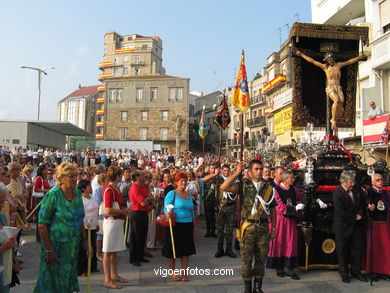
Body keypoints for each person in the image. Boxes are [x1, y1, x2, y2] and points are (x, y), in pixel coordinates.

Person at [221, 160, 277, 293]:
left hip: (263, 227)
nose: (259, 171)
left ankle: (258, 287)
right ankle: (247, 288)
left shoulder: (267, 187)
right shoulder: (244, 185)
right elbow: (224, 187)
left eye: (260, 169)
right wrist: (236, 173)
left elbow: (273, 209)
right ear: (250, 171)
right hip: (248, 228)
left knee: (261, 259)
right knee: (246, 260)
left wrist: (273, 228)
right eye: (256, 169)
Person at [34, 162, 86, 293]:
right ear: (61, 178)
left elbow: (80, 219)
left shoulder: (78, 194)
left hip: (72, 248)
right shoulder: (53, 195)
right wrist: (49, 250)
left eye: (76, 175)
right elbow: (42, 224)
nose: (75, 179)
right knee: (51, 283)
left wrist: (85, 240)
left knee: (67, 278)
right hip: (55, 249)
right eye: (70, 176)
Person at [295, 49, 366, 130]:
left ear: (333, 58)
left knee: (341, 102)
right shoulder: (325, 67)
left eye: (331, 59)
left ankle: (335, 117)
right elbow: (312, 61)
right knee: (336, 100)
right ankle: (333, 120)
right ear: (327, 60)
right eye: (328, 60)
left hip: (338, 87)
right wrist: (301, 54)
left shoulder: (339, 65)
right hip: (330, 87)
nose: (330, 60)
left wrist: (359, 57)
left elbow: (349, 61)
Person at [332, 170, 367, 283]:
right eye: (351, 182)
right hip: (343, 227)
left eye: (354, 182)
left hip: (357, 226)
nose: (353, 184)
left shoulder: (357, 190)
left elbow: (362, 203)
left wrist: (361, 214)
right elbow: (340, 211)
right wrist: (354, 217)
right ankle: (344, 273)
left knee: (358, 249)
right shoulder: (337, 193)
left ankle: (356, 271)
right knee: (343, 251)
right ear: (344, 181)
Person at [267, 170, 302, 280]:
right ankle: (279, 267)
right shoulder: (276, 190)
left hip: (290, 221)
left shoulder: (293, 189)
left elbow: (301, 197)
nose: (293, 179)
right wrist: (294, 208)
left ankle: (290, 268)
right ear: (285, 179)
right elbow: (279, 207)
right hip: (280, 221)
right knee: (280, 243)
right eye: (291, 177)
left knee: (291, 243)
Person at [162, 172, 196, 281]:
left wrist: (194, 225)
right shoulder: (172, 194)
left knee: (186, 250)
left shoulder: (189, 195)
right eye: (181, 181)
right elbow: (165, 208)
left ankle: (184, 274)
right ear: (176, 183)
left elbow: (192, 211)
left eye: (185, 180)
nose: (184, 183)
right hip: (175, 225)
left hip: (187, 225)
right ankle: (173, 273)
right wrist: (167, 213)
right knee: (172, 250)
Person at [102, 166, 129, 289]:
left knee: (114, 251)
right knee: (108, 251)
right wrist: (123, 211)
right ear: (118, 176)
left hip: (117, 222)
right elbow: (107, 210)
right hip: (111, 223)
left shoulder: (115, 188)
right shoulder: (109, 189)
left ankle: (114, 275)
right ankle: (107, 279)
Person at [365, 173, 390, 281]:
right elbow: (367, 203)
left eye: (381, 180)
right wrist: (369, 207)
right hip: (373, 224)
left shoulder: (386, 193)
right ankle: (374, 271)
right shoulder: (369, 192)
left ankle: (384, 271)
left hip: (384, 224)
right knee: (374, 249)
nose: (381, 182)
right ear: (372, 182)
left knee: (385, 249)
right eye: (378, 180)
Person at [129, 170, 154, 266]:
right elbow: (143, 202)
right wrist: (148, 199)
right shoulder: (135, 188)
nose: (144, 176)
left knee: (143, 235)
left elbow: (151, 197)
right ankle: (134, 258)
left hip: (143, 213)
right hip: (137, 213)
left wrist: (148, 199)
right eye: (141, 175)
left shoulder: (143, 187)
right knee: (136, 236)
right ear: (136, 178)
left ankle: (140, 255)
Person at [214, 164, 238, 258]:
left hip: (230, 207)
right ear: (221, 171)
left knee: (230, 230)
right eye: (224, 170)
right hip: (220, 207)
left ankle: (229, 249)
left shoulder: (233, 180)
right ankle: (220, 249)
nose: (226, 172)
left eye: (228, 170)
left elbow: (236, 195)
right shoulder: (218, 180)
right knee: (220, 230)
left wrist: (237, 209)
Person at [77, 179, 99, 277]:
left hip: (93, 225)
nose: (90, 187)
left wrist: (97, 223)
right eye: (88, 186)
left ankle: (93, 266)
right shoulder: (81, 199)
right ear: (83, 188)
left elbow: (95, 210)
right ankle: (82, 269)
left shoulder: (91, 197)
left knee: (93, 246)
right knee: (84, 248)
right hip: (85, 226)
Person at [0, 182, 17, 293]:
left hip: (5, 273)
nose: (1, 206)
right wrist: (3, 248)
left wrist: (14, 262)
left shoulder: (1, 217)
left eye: (2, 202)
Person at [202, 163, 219, 238]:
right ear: (209, 169)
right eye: (211, 168)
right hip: (207, 199)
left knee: (214, 216)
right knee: (207, 216)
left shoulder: (218, 178)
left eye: (214, 168)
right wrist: (214, 174)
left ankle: (213, 231)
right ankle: (208, 230)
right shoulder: (207, 175)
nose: (213, 169)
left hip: (215, 199)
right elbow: (204, 179)